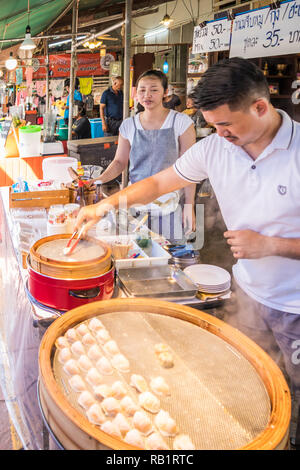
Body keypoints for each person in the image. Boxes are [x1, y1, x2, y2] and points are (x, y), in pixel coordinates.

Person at [76, 57, 300, 447]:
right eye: (213, 126)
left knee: (293, 396)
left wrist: (270, 246)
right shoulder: (215, 147)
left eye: (227, 125)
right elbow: (159, 182)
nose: (219, 134)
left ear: (260, 107)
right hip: (245, 292)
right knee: (242, 382)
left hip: (294, 305)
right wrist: (104, 206)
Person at [90, 69, 196, 238]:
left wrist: (189, 206)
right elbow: (119, 162)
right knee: (134, 255)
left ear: (165, 92)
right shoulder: (129, 125)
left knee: (167, 257)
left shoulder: (181, 122)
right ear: (136, 93)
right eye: (142, 90)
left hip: (168, 206)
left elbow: (190, 169)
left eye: (154, 89)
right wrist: (99, 179)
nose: (147, 95)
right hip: (134, 205)